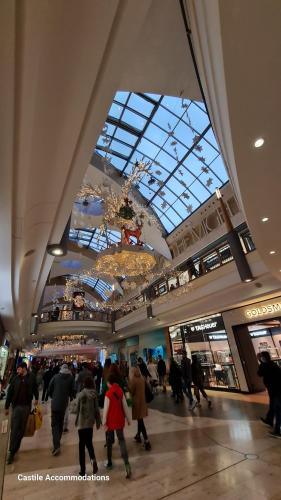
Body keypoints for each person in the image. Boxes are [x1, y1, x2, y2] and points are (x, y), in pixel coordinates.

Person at [5, 362, 39, 464]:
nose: (18, 370)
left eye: (19, 369)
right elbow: (10, 392)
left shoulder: (31, 377)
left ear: (24, 369)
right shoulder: (15, 378)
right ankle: (11, 451)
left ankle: (15, 446)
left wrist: (36, 398)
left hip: (26, 407)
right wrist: (7, 406)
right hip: (16, 407)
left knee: (22, 429)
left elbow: (35, 388)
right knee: (14, 428)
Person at [102, 373, 132, 478]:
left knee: (109, 442)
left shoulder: (108, 394)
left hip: (111, 421)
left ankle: (109, 462)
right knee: (122, 440)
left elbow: (105, 410)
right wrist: (128, 419)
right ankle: (127, 463)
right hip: (119, 419)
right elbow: (125, 406)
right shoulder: (120, 391)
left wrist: (104, 422)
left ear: (109, 383)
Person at [75, 377, 101, 476]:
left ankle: (83, 470)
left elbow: (76, 408)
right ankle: (93, 460)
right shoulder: (94, 395)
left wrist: (76, 419)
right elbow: (96, 409)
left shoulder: (81, 394)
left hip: (82, 423)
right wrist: (98, 421)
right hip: (90, 423)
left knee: (81, 445)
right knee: (89, 443)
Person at [48, 363, 75, 455]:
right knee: (60, 423)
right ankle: (57, 442)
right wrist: (70, 396)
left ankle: (56, 446)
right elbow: (73, 390)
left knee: (54, 425)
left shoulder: (56, 377)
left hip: (55, 403)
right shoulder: (71, 378)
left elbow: (49, 388)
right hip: (64, 403)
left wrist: (53, 396)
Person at [257, 351, 281, 435]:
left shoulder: (265, 365)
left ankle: (277, 430)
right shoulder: (273, 364)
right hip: (274, 389)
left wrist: (261, 363)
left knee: (277, 408)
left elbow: (259, 373)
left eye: (261, 357)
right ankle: (270, 420)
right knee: (274, 405)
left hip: (275, 389)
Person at [129, 366, 151, 450]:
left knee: (141, 421)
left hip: (137, 403)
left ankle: (146, 440)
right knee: (140, 419)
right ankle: (138, 435)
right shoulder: (142, 378)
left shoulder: (133, 380)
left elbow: (131, 391)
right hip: (143, 402)